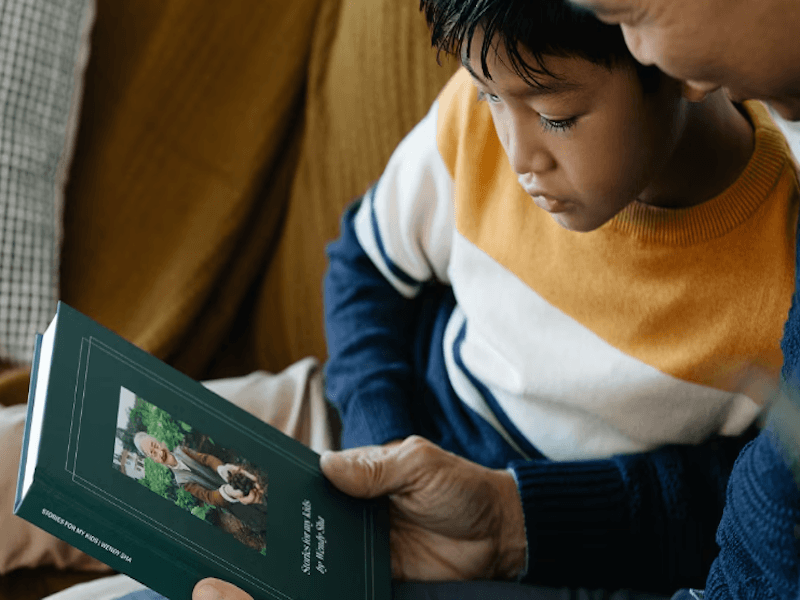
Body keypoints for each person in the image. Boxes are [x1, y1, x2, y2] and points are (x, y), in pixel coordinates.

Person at [187, 0, 800, 598]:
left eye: (557, 117)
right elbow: (364, 264)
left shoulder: (780, 268)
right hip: (360, 415)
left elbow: (732, 506)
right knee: (123, 471)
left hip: (535, 545)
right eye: (488, 95)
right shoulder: (478, 116)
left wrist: (513, 517)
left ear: (672, 61)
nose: (518, 156)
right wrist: (381, 435)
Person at [133, 432, 268, 545]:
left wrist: (221, 468)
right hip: (230, 502)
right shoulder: (182, 482)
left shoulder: (182, 450)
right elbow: (207, 496)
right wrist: (226, 493)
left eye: (155, 446)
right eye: (153, 454)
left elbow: (206, 459)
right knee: (259, 521)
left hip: (231, 479)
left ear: (159, 441)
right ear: (154, 460)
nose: (159, 453)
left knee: (261, 498)